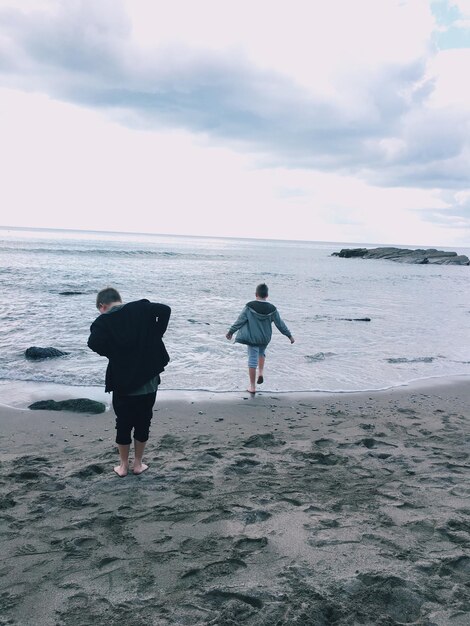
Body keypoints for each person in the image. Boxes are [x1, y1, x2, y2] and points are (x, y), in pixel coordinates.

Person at [88, 287, 171, 477]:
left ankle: (123, 466)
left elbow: (93, 343)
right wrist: (155, 335)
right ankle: (138, 464)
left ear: (102, 305)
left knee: (123, 423)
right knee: (144, 421)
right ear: (119, 299)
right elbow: (165, 310)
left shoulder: (103, 320)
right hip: (148, 381)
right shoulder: (141, 308)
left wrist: (114, 352)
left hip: (122, 382)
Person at [226, 283, 294, 394]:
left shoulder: (249, 306)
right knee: (261, 353)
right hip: (265, 338)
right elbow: (280, 324)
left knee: (252, 360)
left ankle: (252, 387)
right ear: (267, 295)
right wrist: (289, 336)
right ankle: (261, 373)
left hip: (253, 338)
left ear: (256, 294)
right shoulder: (272, 309)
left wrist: (231, 331)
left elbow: (240, 320)